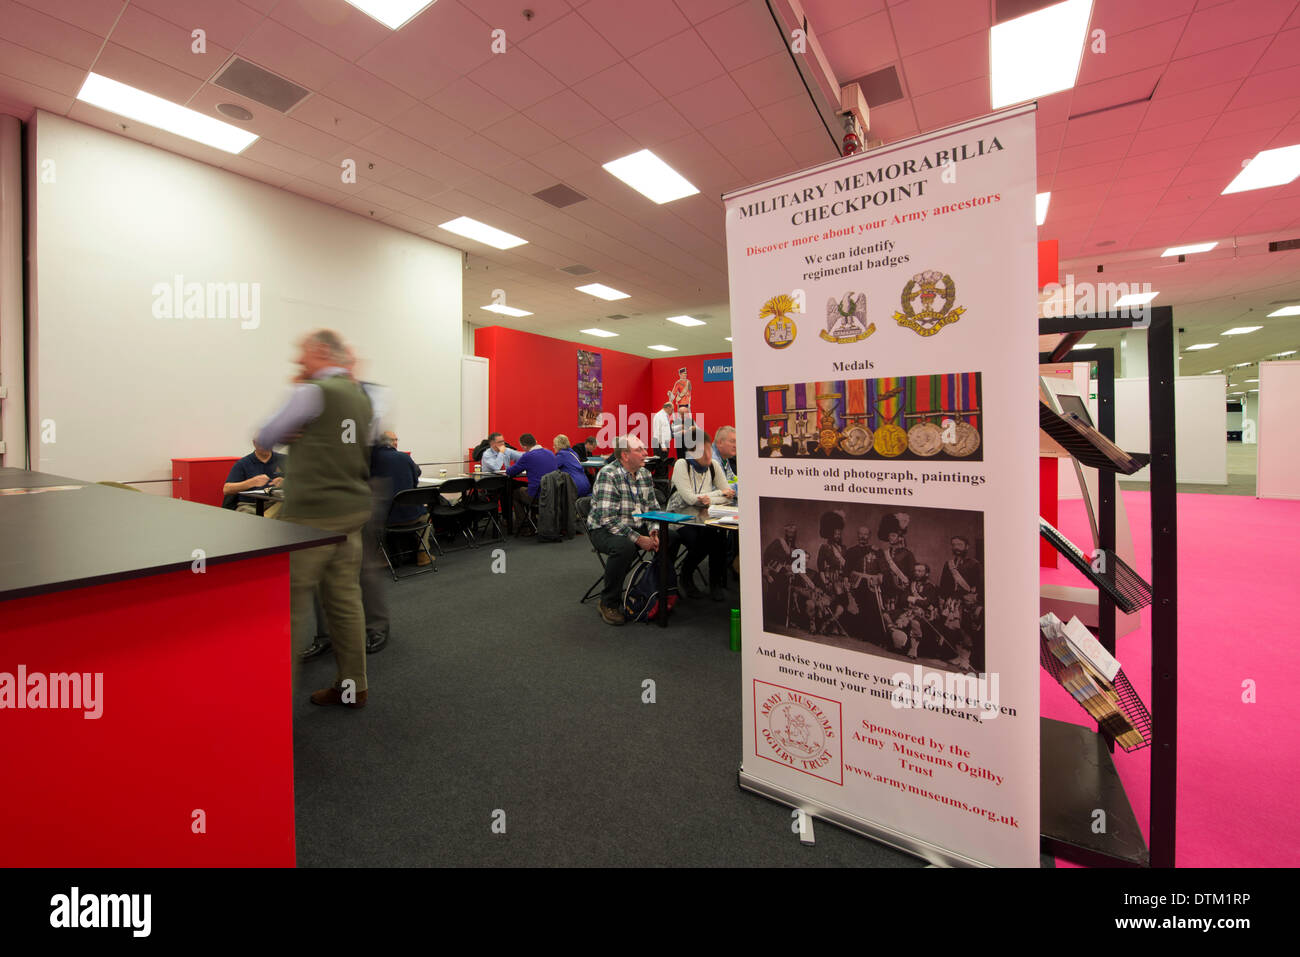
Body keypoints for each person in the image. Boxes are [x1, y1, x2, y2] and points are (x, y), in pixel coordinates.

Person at [256, 329, 373, 710]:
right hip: (351, 515)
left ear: (322, 351)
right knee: (344, 602)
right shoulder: (361, 395)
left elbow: (265, 436)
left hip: (311, 519)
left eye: (303, 354)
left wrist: (292, 422)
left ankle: (272, 709)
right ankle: (353, 687)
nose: (298, 361)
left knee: (287, 608)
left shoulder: (310, 392)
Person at [586, 434, 679, 625]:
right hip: (603, 528)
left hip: (635, 523)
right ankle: (608, 602)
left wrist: (654, 531)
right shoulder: (608, 474)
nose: (646, 453)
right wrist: (639, 539)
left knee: (672, 537)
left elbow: (652, 508)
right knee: (624, 547)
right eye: (640, 450)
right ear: (625, 455)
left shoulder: (644, 474)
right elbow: (607, 519)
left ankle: (659, 586)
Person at [666, 428, 733, 601]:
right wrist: (718, 495)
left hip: (705, 517)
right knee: (701, 543)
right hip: (680, 519)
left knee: (719, 539)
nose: (708, 454)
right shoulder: (682, 465)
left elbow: (728, 495)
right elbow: (689, 499)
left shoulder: (714, 466)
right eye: (703, 451)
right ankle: (686, 575)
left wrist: (709, 498)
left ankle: (715, 585)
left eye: (709, 449)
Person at [505, 433, 557, 535]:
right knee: (529, 488)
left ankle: (524, 526)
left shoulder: (528, 456)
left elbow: (510, 472)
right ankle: (534, 520)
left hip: (538, 496)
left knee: (516, 493)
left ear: (524, 446)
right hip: (553, 493)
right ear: (536, 441)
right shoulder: (550, 453)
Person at [222, 442, 284, 514]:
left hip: (276, 503)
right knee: (249, 516)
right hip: (250, 505)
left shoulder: (284, 459)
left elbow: (298, 483)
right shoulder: (243, 463)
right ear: (255, 443)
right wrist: (251, 482)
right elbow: (226, 489)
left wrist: (286, 482)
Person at [939, 536, 983, 601]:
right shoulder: (948, 564)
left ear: (967, 546)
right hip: (951, 601)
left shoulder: (974, 564)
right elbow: (943, 585)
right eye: (953, 545)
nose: (956, 547)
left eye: (959, 544)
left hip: (968, 601)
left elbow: (980, 585)